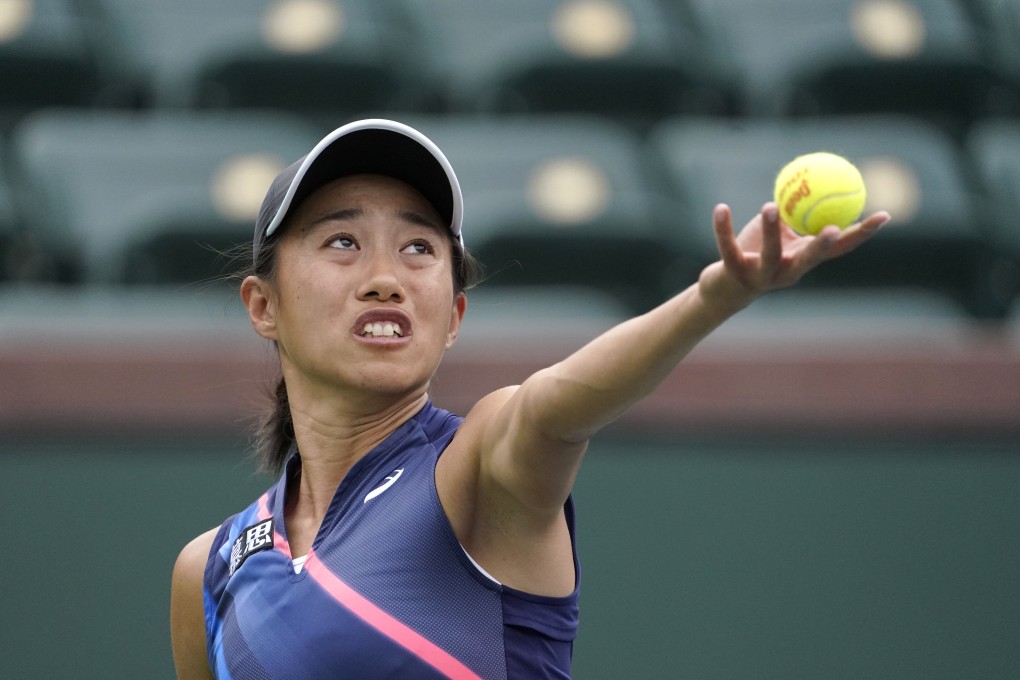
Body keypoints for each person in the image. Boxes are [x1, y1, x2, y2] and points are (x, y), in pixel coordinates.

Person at [169, 118, 889, 679]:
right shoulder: (212, 569)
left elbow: (554, 409)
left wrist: (713, 299)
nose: (385, 277)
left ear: (452, 317)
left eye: (419, 248)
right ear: (263, 306)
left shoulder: (478, 467)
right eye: (342, 242)